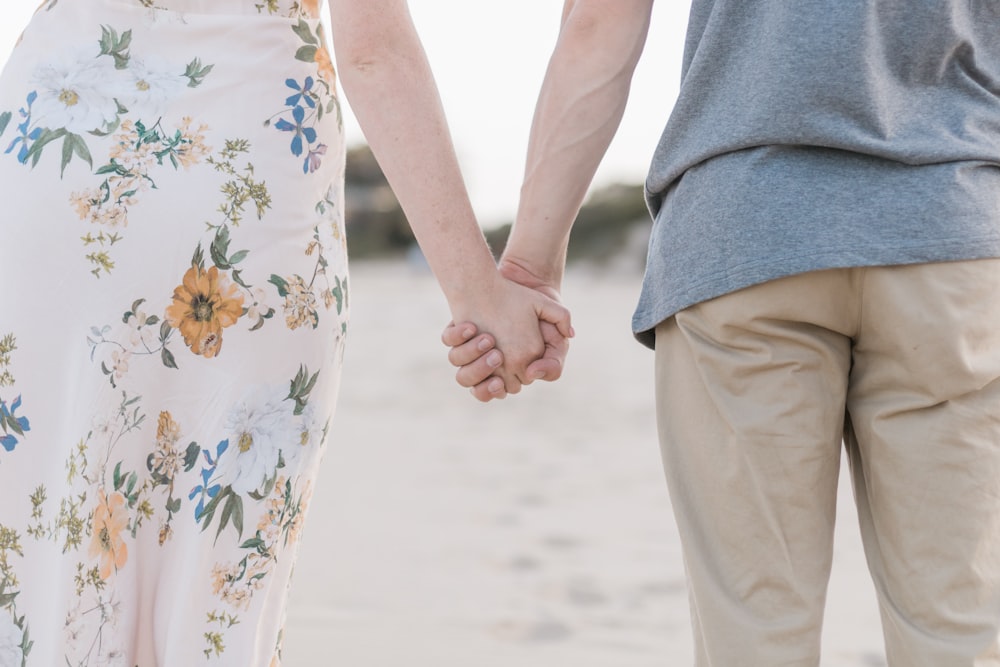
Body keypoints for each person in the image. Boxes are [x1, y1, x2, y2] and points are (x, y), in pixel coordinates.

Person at [0, 0, 568, 664]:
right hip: (244, 170)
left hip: (49, 157)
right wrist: (479, 293)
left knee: (48, 559)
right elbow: (372, 50)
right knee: (219, 593)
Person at [446, 0, 1000, 664]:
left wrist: (530, 267)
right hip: (952, 233)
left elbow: (600, 23)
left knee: (753, 634)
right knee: (962, 630)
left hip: (742, 234)